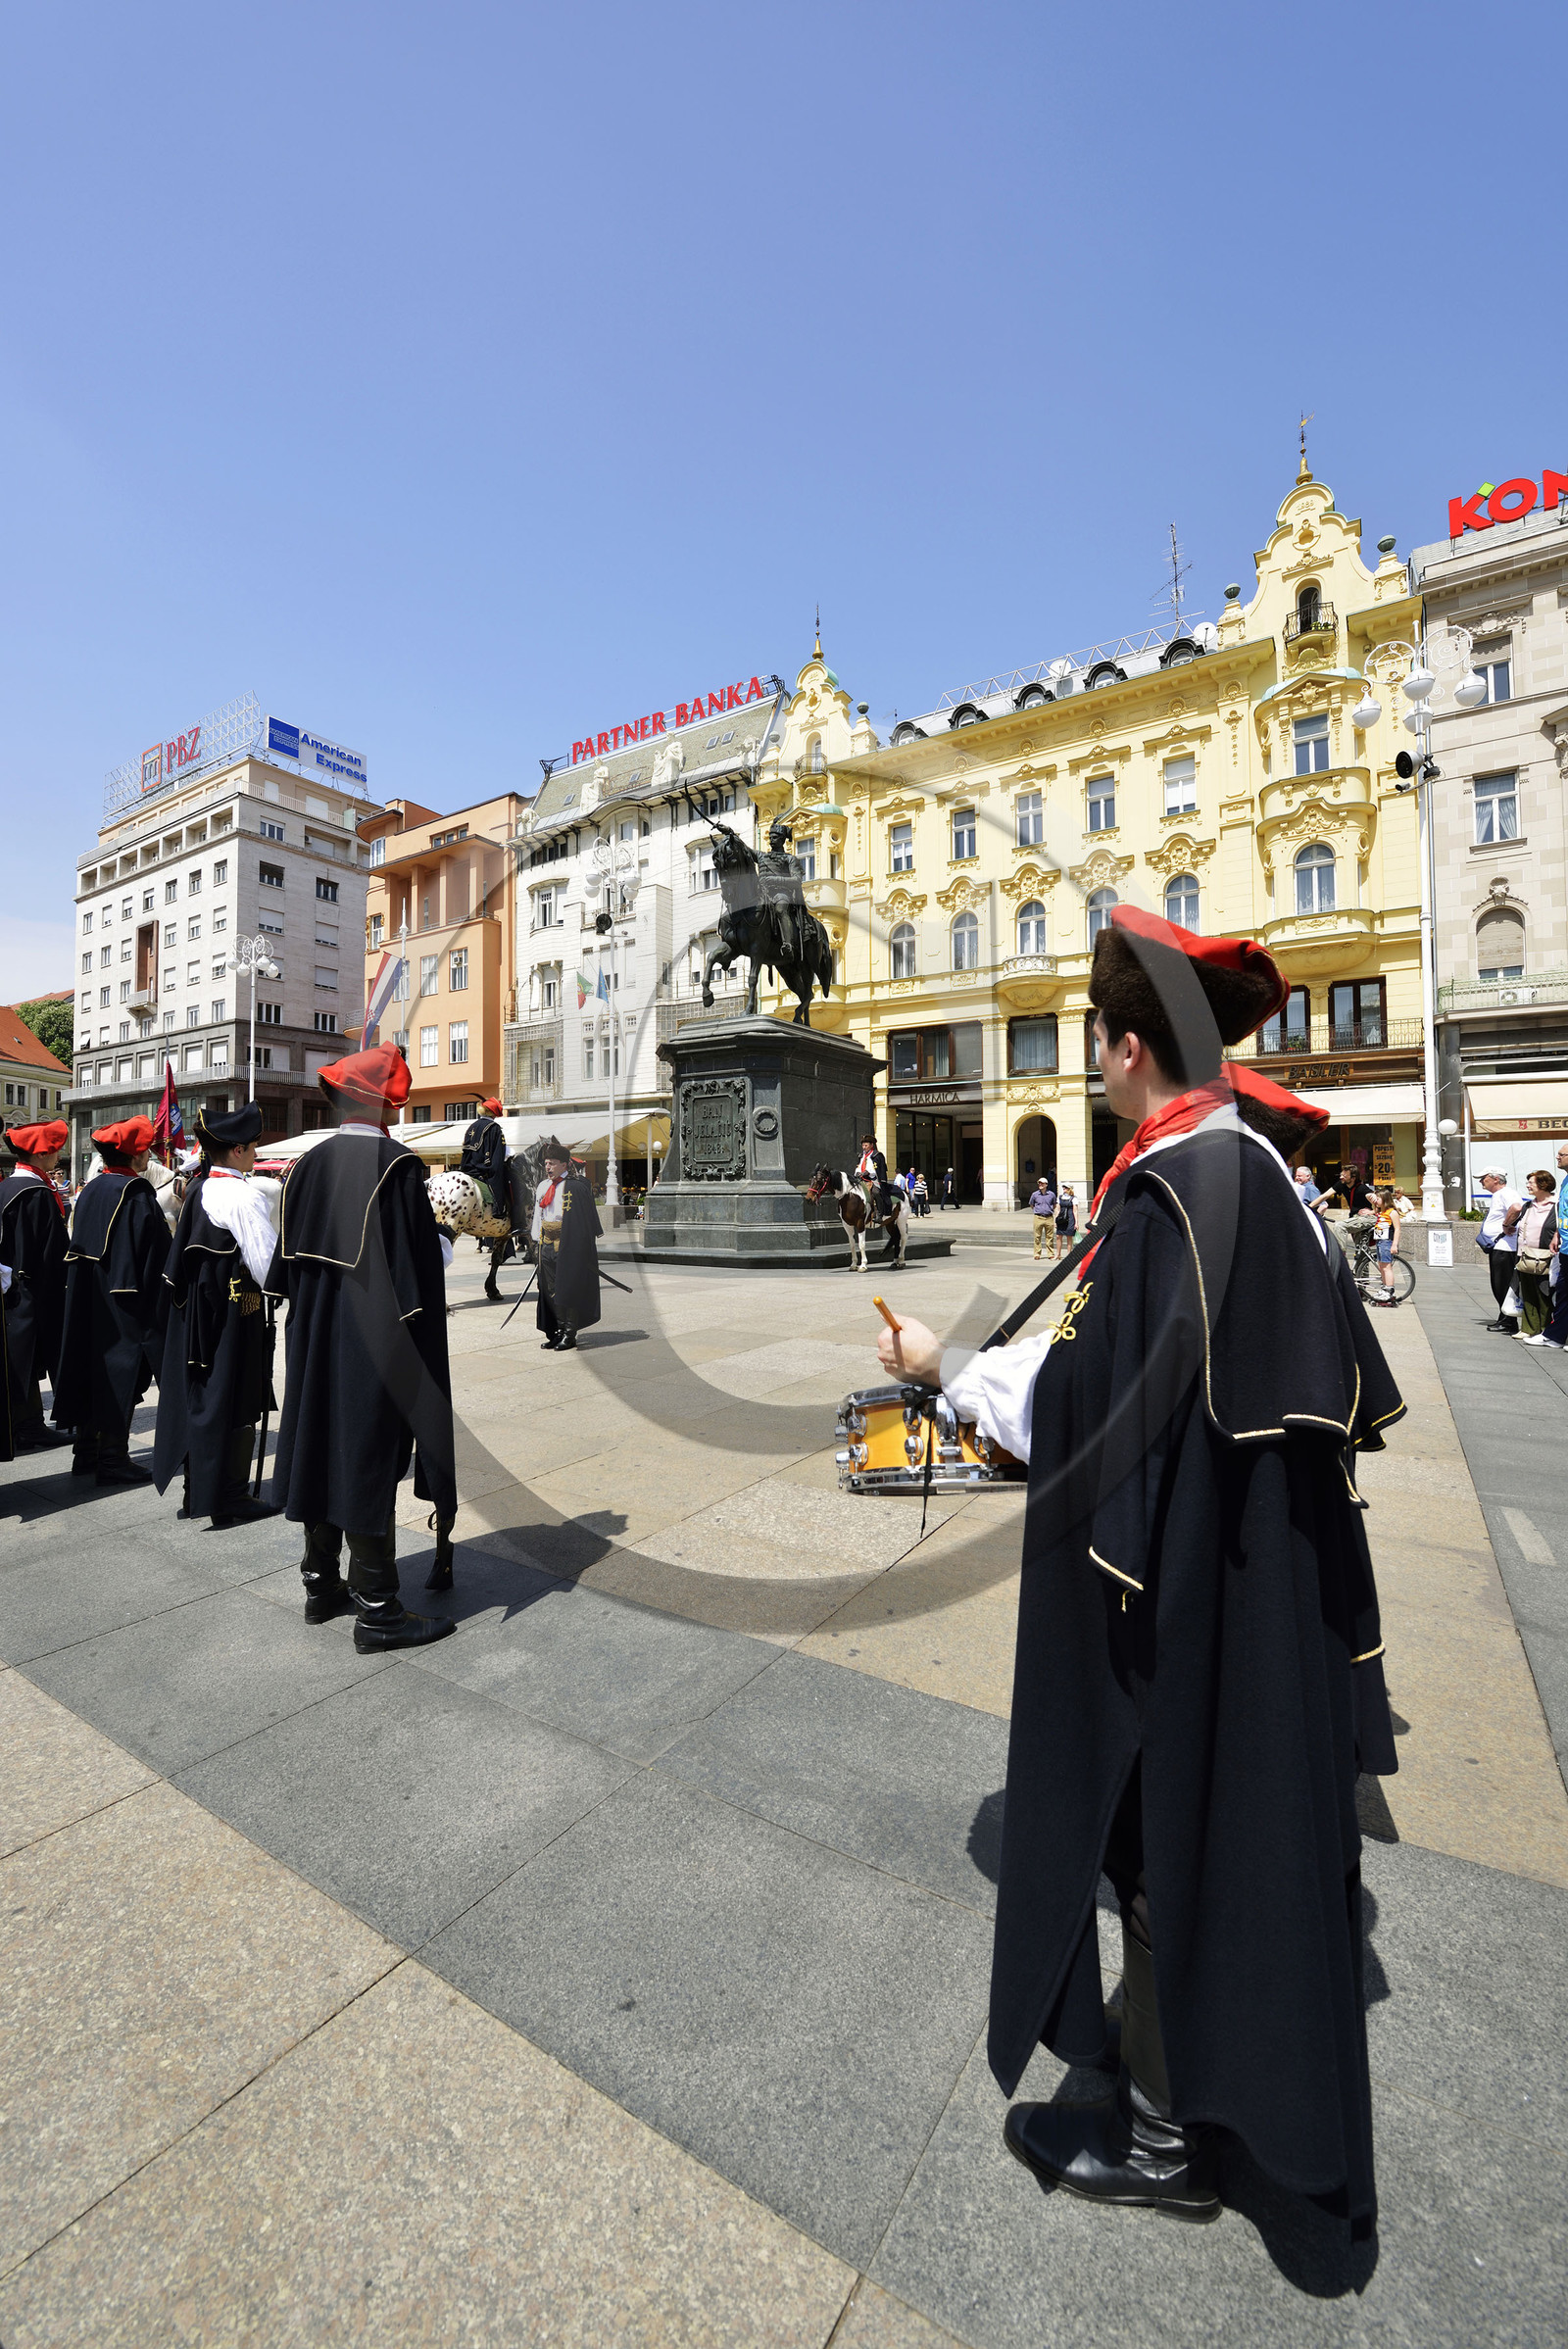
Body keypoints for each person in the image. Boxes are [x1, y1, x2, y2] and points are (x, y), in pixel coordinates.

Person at [873, 905, 1399, 2236]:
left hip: (1188, 1584)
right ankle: (1207, 2083)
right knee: (1233, 1827)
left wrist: (943, 1369)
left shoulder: (1176, 1195)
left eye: (1092, 1040)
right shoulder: (1257, 1181)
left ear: (1118, 1050)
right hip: (1264, 1566)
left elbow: (1094, 1404)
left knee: (1168, 1832)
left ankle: (1170, 2136)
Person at [268, 1044, 458, 1647]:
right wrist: (445, 1238)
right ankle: (379, 1610)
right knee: (367, 1451)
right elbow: (417, 1275)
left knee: (319, 1442)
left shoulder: (303, 1165)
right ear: (382, 1102)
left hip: (313, 1334)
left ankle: (321, 1587)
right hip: (374, 1339)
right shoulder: (397, 1167)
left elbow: (283, 1270)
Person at [153, 1102, 282, 1529]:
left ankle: (198, 1491)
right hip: (234, 1311)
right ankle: (229, 1495)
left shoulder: (201, 1186)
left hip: (199, 1314)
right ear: (239, 1150)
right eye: (254, 1147)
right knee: (237, 1395)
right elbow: (267, 1265)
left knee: (206, 1396)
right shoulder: (243, 1195)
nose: (256, 1154)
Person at [52, 1115, 171, 1484]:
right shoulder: (136, 1194)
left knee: (91, 1369)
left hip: (89, 1297)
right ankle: (113, 1459)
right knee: (124, 1375)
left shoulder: (91, 1190)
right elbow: (156, 1257)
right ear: (135, 1157)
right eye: (145, 1149)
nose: (149, 1154)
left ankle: (86, 1452)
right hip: (126, 1302)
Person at [0, 1119, 73, 1451]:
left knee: (16, 1360)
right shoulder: (37, 1193)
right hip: (31, 1291)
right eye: (54, 1150)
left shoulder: (6, 1187)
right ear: (41, 1153)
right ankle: (29, 1426)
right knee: (26, 1361)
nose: (58, 1156)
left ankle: (21, 1423)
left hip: (11, 1289)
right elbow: (51, 1253)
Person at [533, 1136, 602, 1352]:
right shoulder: (543, 1186)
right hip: (546, 1244)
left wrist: (580, 1250)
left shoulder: (577, 1186)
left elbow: (583, 1221)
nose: (548, 1167)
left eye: (552, 1163)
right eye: (546, 1163)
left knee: (568, 1289)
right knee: (549, 1290)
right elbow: (538, 1215)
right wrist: (536, 1242)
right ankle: (558, 1331)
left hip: (568, 1245)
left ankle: (570, 1334)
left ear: (564, 1164)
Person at [459, 1096, 513, 1301]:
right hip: (486, 1171)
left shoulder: (471, 1126)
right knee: (506, 1184)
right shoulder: (495, 1129)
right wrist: (497, 1169)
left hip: (469, 1170)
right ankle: (501, 1211)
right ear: (495, 1114)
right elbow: (498, 1157)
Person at [1475, 1168, 1525, 1335]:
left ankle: (1508, 1321)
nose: (1481, 1181)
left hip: (1504, 1247)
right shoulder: (1499, 1195)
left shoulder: (1506, 1193)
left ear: (1495, 1179)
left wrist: (1506, 1225)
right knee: (1498, 1284)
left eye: (1484, 1178)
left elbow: (1517, 1208)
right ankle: (1505, 1318)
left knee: (1502, 1284)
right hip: (1499, 1247)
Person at [1514, 1171, 1558, 1343]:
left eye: (1531, 1182)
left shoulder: (1556, 1205)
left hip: (1546, 1256)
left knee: (1544, 1293)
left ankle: (1546, 1329)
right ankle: (1528, 1328)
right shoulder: (1529, 1205)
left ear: (1543, 1184)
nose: (1528, 1185)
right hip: (1525, 1256)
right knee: (1527, 1293)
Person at [1364, 1189, 1401, 1305]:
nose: (1376, 1201)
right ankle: (1384, 1288)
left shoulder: (1392, 1212)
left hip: (1387, 1241)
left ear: (1385, 1199)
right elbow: (1367, 1196)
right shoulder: (1380, 1212)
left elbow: (1397, 1229)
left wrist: (1394, 1244)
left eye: (1378, 1198)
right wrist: (1373, 1197)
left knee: (1386, 1267)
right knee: (1381, 1266)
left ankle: (1389, 1290)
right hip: (1379, 1241)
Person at [856, 1133, 895, 1220]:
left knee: (876, 1192)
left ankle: (879, 1214)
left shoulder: (877, 1155)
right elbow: (858, 1166)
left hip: (873, 1180)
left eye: (866, 1145)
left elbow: (878, 1169)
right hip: (861, 1179)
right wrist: (858, 1172)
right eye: (863, 1145)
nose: (864, 1147)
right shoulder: (861, 1156)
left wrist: (868, 1172)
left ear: (872, 1145)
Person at [1028, 1176, 1057, 1261]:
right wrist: (1037, 1210)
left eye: (1042, 1183)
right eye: (1039, 1183)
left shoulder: (1051, 1194)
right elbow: (1031, 1204)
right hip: (1038, 1217)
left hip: (1049, 1217)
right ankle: (1037, 1254)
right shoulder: (1035, 1194)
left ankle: (1050, 1254)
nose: (1040, 1184)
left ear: (1046, 1184)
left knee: (1050, 1237)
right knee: (1037, 1236)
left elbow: (1054, 1205)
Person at [1054, 1184, 1077, 1260]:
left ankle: (1069, 1255)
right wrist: (1055, 1221)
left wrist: (1076, 1223)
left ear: (1070, 1189)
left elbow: (1075, 1211)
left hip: (1070, 1218)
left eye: (1066, 1188)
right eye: (1064, 1187)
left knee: (1069, 1236)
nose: (1064, 1189)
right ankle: (1058, 1254)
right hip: (1061, 1218)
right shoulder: (1060, 1197)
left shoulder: (1073, 1198)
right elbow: (1057, 1209)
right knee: (1058, 1236)